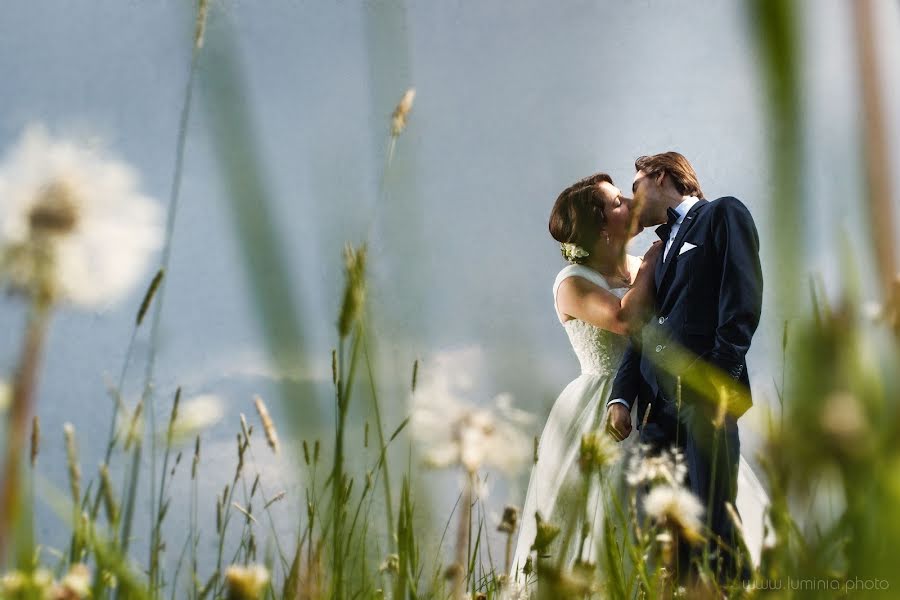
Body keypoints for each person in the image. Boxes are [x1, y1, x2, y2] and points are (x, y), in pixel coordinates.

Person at [606, 152, 765, 583]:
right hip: (658, 413)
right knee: (662, 532)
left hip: (705, 402)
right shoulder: (658, 251)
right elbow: (643, 331)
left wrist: (715, 383)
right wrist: (622, 395)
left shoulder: (721, 214)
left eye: (635, 185)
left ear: (661, 176)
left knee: (713, 521)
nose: (629, 196)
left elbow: (742, 301)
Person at [509, 172, 662, 585]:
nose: (630, 204)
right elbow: (623, 318)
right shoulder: (572, 283)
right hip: (601, 405)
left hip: (660, 398)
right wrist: (650, 267)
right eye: (617, 203)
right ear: (599, 229)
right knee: (609, 518)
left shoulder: (644, 263)